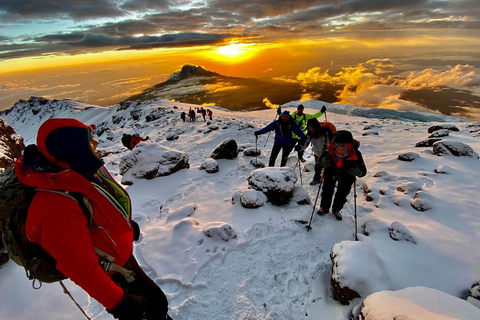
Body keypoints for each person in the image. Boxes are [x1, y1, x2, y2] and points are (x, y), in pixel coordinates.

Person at [15, 118, 171, 320]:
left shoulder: (76, 173)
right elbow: (81, 268)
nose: (95, 145)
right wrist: (119, 303)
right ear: (72, 148)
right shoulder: (54, 206)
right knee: (153, 307)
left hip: (119, 257)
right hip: (110, 272)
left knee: (158, 304)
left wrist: (126, 226)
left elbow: (99, 209)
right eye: (89, 142)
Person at [317, 130, 367, 220]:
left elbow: (363, 171)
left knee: (342, 193)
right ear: (334, 146)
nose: (340, 151)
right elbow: (319, 163)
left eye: (343, 149)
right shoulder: (329, 150)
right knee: (327, 190)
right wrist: (323, 163)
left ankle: (336, 209)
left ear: (349, 148)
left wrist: (358, 172)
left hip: (347, 176)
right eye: (338, 148)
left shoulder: (356, 154)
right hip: (330, 173)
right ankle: (324, 207)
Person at [302, 118, 333, 185]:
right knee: (318, 167)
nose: (311, 129)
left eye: (313, 127)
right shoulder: (310, 134)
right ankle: (317, 179)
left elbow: (331, 143)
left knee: (328, 169)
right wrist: (301, 148)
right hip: (317, 153)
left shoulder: (326, 132)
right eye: (309, 128)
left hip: (327, 153)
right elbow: (306, 143)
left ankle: (328, 182)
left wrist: (327, 151)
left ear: (316, 126)